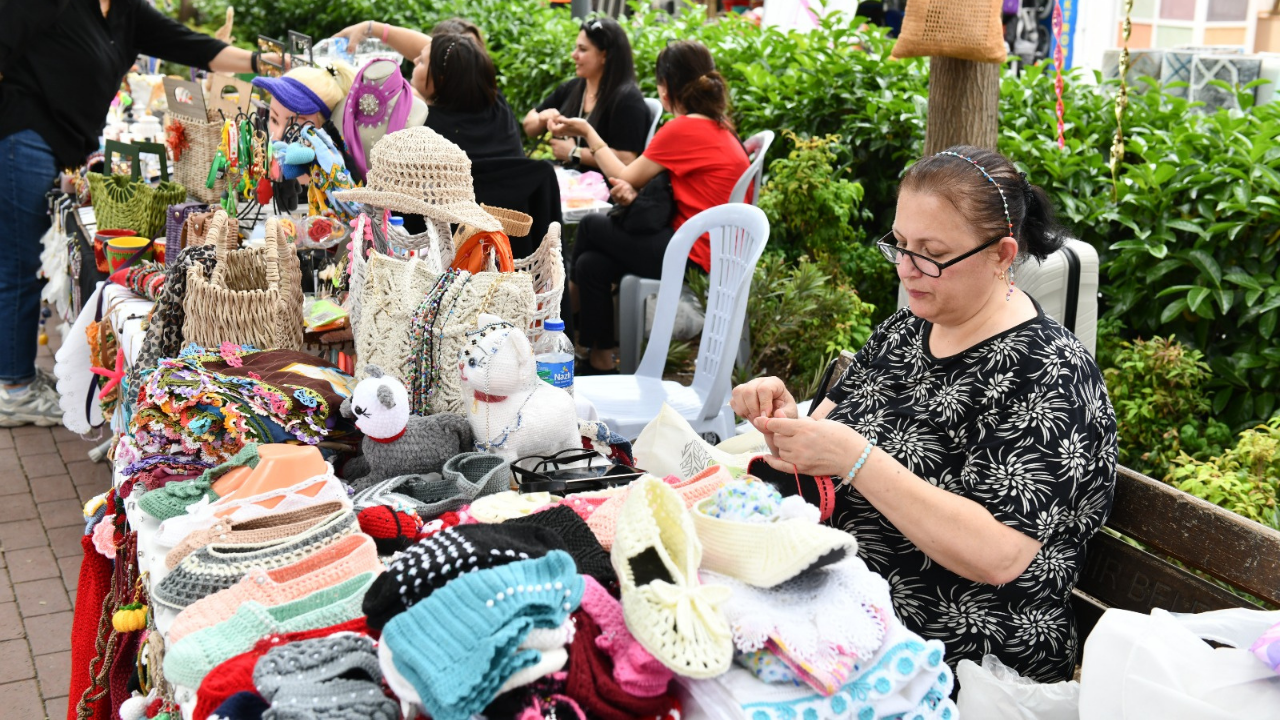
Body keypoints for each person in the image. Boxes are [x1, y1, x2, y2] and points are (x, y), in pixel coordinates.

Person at [730, 146, 1118, 684]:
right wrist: (785, 419)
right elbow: (827, 440)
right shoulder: (906, 330)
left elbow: (999, 555)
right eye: (901, 244)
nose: (908, 268)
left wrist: (855, 457)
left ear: (1002, 253)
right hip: (842, 610)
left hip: (958, 655)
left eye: (931, 253)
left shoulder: (1049, 375)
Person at [0, 0, 265, 427]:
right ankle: (13, 390)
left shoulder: (126, 12)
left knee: (19, 263)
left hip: (54, 143)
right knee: (17, 264)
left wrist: (261, 61)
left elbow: (197, 47)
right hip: (21, 136)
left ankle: (18, 377)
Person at [550, 40, 748, 373]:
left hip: (692, 255)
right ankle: (600, 358)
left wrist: (588, 132)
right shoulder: (719, 125)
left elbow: (626, 174)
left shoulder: (685, 127)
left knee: (591, 226)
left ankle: (560, 326)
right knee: (590, 264)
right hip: (708, 250)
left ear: (667, 86)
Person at [524, 17, 649, 169]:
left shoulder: (627, 99)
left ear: (605, 56)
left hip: (602, 188)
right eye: (576, 48)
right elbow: (528, 125)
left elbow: (626, 160)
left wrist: (574, 153)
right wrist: (541, 119)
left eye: (582, 49)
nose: (573, 55)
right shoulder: (572, 88)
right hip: (570, 181)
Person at [415, 34, 523, 161]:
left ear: (440, 79)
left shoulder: (425, 126)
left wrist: (385, 31)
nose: (415, 60)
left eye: (421, 61)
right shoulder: (498, 107)